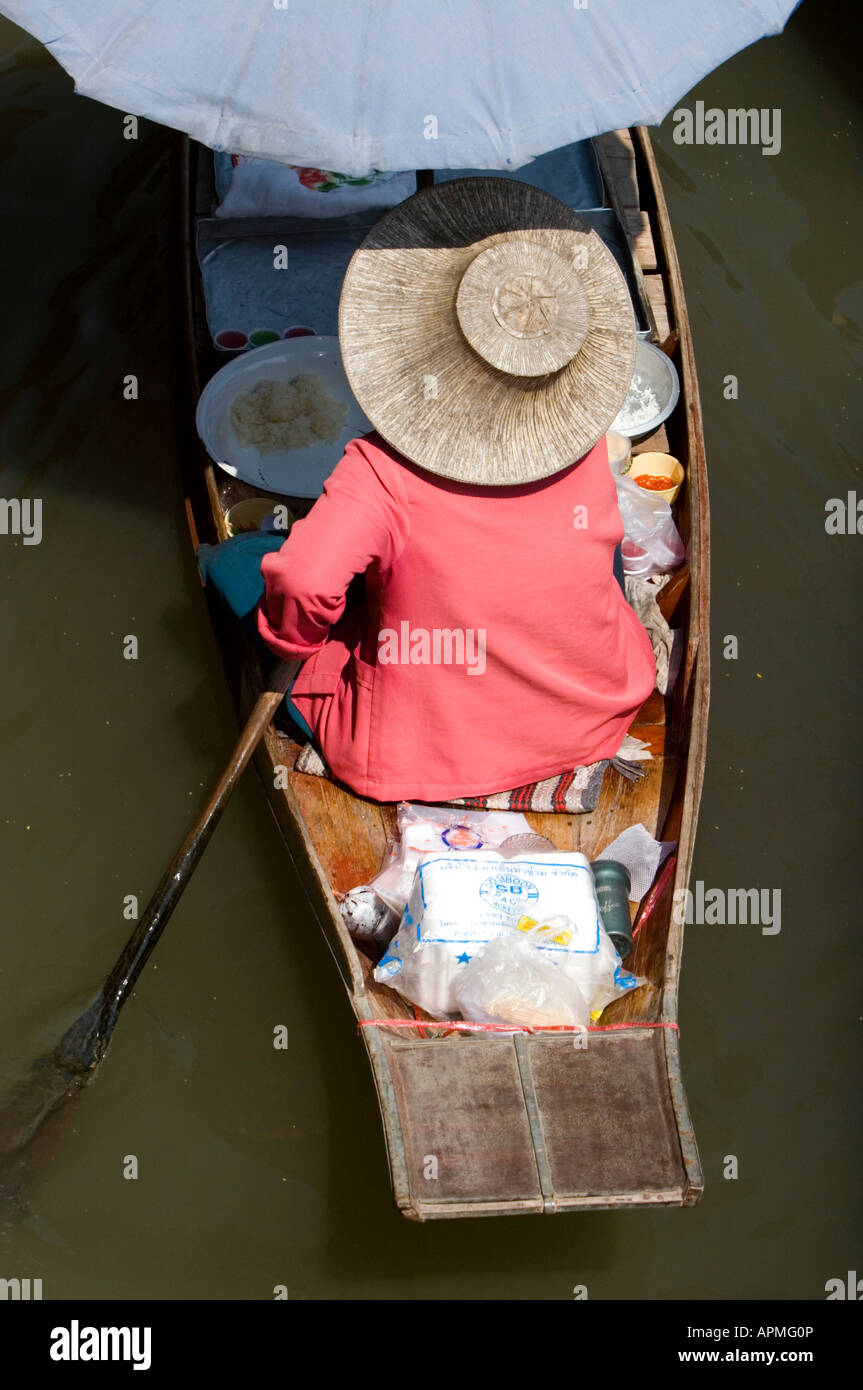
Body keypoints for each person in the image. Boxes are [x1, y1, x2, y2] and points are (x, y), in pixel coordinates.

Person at [254, 176, 655, 801]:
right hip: (591, 712)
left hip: (413, 752)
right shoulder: (576, 443)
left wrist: (297, 640)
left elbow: (303, 582)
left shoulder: (379, 471)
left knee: (238, 568)